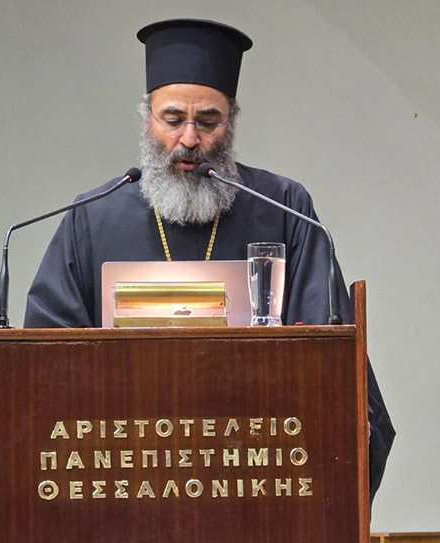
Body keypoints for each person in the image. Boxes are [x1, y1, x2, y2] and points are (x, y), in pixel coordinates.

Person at [24, 18, 394, 501]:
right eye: (173, 119)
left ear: (231, 123)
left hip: (257, 481)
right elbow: (43, 369)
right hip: (126, 484)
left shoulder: (282, 209)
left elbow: (328, 362)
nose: (190, 139)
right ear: (147, 121)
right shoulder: (92, 219)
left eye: (208, 121)